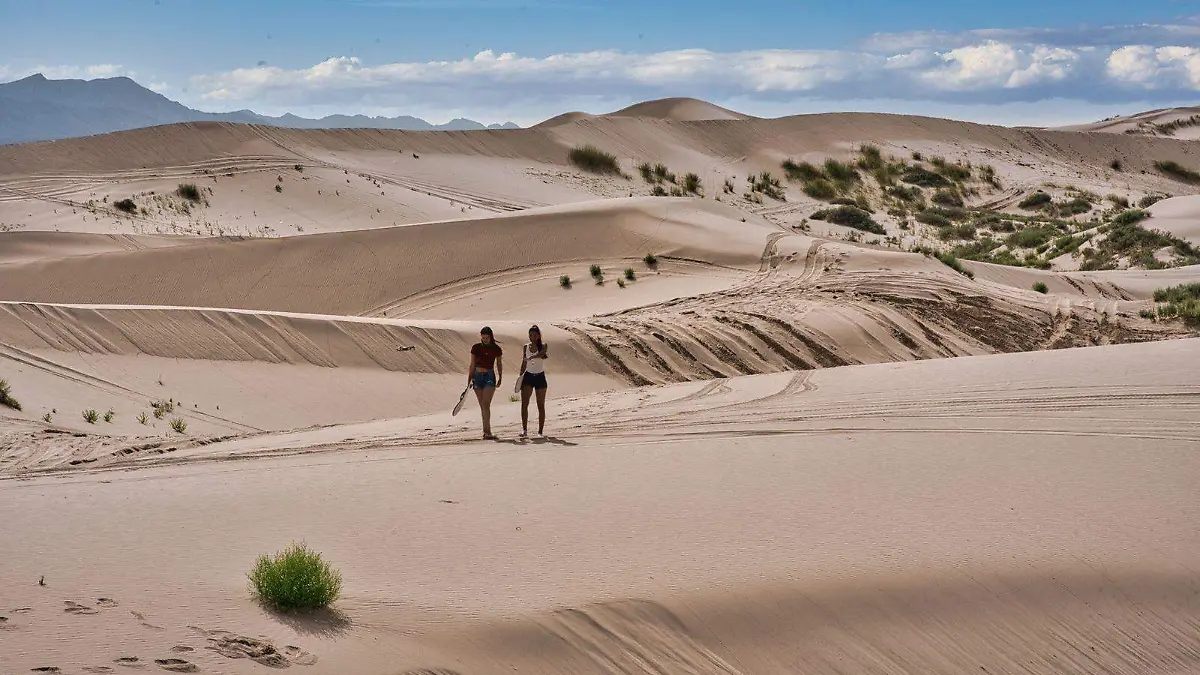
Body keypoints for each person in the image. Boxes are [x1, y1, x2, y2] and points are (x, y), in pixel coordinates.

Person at [467, 326, 502, 439]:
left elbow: (499, 364)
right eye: (483, 337)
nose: (485, 339)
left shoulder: (496, 349)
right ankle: (485, 431)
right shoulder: (476, 348)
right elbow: (472, 364)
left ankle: (488, 431)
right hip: (477, 376)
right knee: (482, 405)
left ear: (491, 337)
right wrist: (469, 378)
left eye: (487, 337)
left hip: (489, 376)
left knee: (486, 404)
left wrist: (500, 376)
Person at [516, 324, 549, 438]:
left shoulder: (543, 346)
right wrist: (520, 377)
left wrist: (532, 357)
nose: (532, 337)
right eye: (530, 335)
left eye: (534, 335)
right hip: (528, 376)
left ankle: (540, 432)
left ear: (538, 335)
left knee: (541, 405)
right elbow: (524, 362)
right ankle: (524, 430)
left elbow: (542, 354)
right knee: (524, 404)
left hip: (540, 377)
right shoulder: (526, 347)